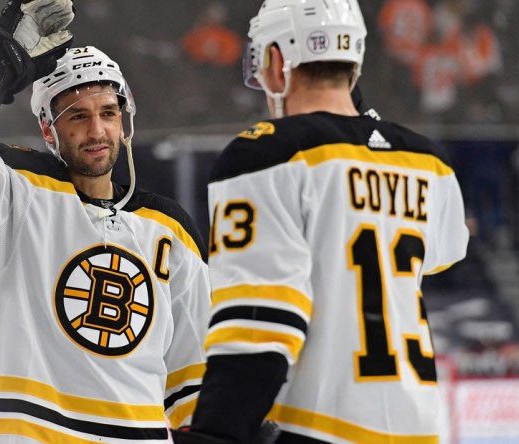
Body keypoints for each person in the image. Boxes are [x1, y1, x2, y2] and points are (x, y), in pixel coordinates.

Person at [0, 1, 211, 442]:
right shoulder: (17, 193)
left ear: (125, 123)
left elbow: (194, 377)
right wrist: (1, 59)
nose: (97, 130)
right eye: (77, 117)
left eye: (108, 113)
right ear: (49, 130)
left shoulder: (170, 228)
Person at [173, 0, 469, 443]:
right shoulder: (429, 161)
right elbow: (444, 253)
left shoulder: (266, 153)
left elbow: (260, 322)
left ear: (275, 61)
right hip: (422, 428)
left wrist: (216, 432)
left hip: (321, 425)